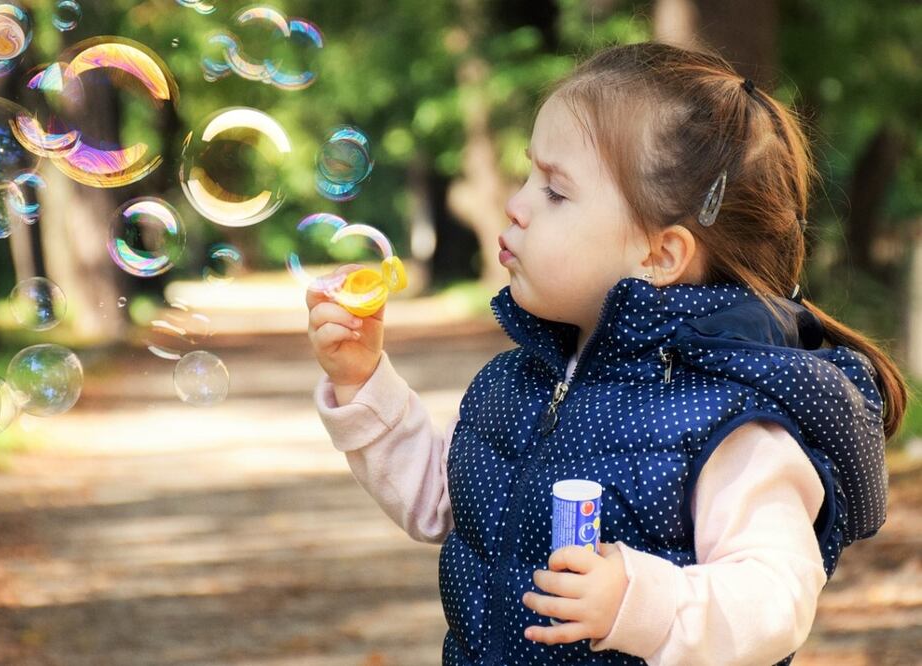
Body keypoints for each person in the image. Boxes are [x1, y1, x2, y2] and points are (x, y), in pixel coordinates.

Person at [306, 41, 906, 665]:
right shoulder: (519, 381)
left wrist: (638, 602)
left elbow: (775, 597)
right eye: (528, 175)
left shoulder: (728, 420)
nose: (516, 204)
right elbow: (443, 501)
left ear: (659, 255)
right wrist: (363, 380)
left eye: (556, 192)